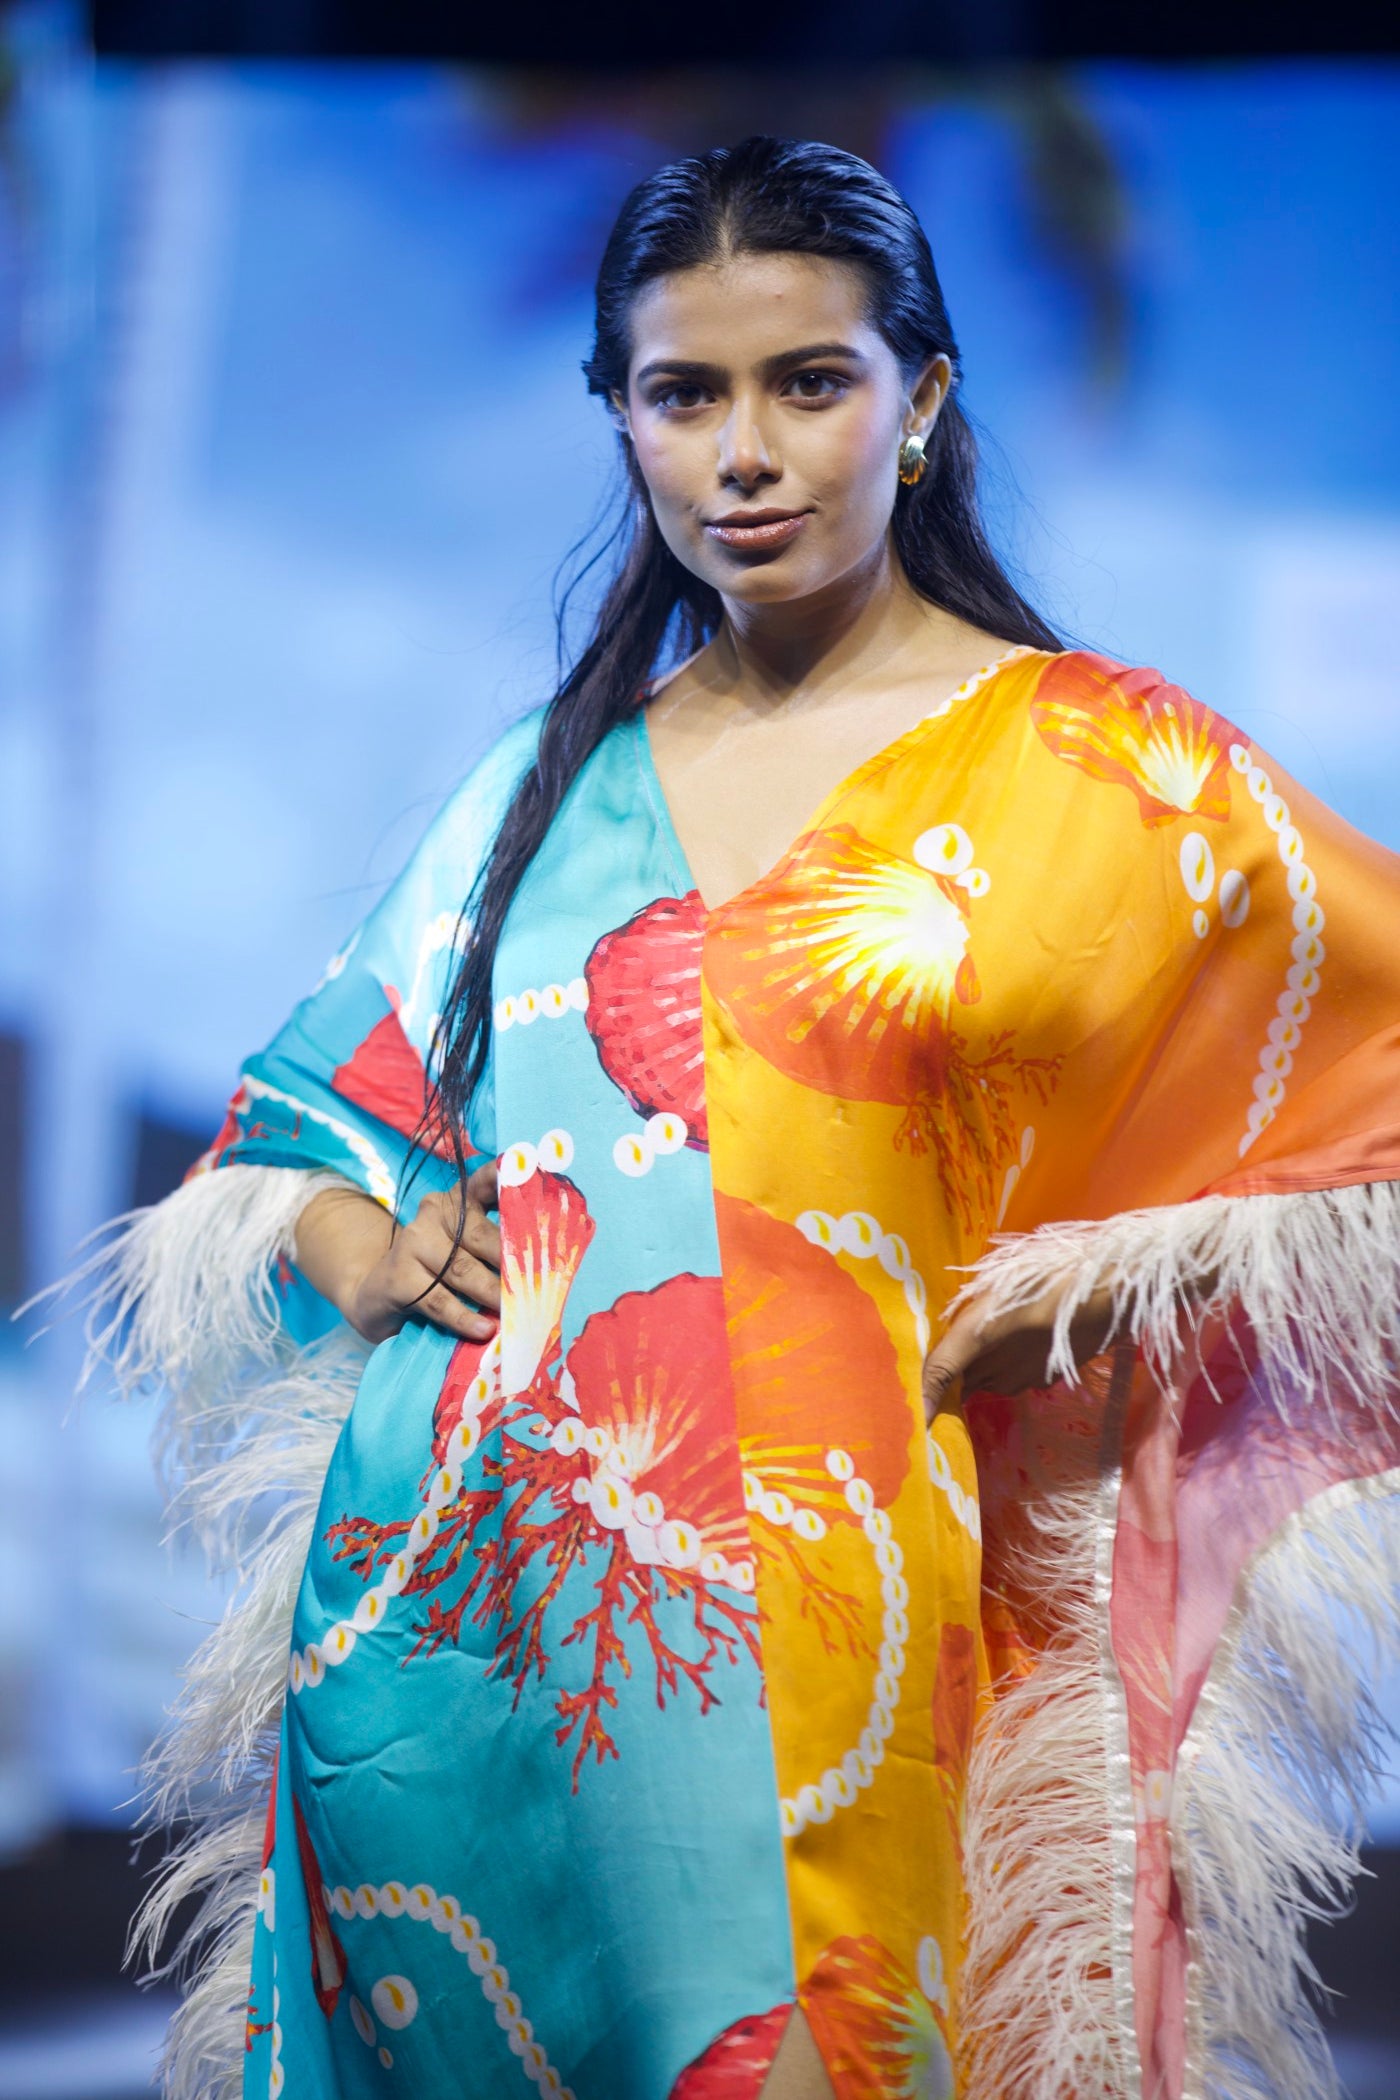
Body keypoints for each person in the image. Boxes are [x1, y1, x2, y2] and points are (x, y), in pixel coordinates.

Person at [81, 136, 1400, 2100]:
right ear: (621, 420)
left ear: (922, 401)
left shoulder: (1106, 769)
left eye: (809, 382)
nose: (744, 454)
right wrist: (356, 1243)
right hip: (467, 1670)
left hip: (855, 1647)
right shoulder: (541, 789)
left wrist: (1125, 1280)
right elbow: (299, 1132)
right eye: (683, 394)